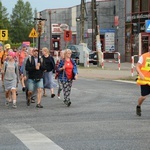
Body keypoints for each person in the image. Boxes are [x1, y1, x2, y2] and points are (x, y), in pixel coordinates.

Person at [136, 45, 150, 116]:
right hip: (145, 80)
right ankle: (138, 106)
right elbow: (137, 66)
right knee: (144, 96)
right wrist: (140, 73)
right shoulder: (144, 56)